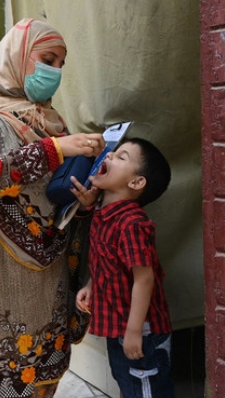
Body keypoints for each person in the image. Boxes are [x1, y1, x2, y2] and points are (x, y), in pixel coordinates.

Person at [0, 18, 105, 398]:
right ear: (18, 54)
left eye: (61, 64)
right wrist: (56, 150)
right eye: (47, 59)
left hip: (48, 288)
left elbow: (51, 200)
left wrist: (81, 202)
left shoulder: (48, 119)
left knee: (42, 384)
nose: (55, 72)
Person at [73, 137, 174, 398]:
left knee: (145, 390)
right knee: (130, 387)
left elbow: (144, 279)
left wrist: (133, 331)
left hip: (141, 332)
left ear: (137, 182)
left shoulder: (131, 224)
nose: (107, 157)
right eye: (112, 153)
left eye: (121, 157)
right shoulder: (104, 214)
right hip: (118, 327)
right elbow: (108, 263)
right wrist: (91, 286)